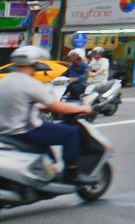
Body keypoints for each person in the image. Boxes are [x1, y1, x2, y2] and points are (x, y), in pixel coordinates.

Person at [0, 46, 95, 179]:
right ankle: (72, 172)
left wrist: (37, 106)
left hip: (5, 131)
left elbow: (17, 102)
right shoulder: (30, 83)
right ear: (34, 64)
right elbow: (57, 107)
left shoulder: (5, 81)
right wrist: (83, 109)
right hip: (26, 131)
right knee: (71, 132)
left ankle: (49, 167)